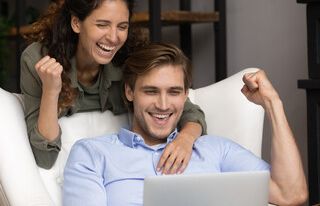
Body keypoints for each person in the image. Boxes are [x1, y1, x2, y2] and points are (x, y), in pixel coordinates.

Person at [63, 42, 308, 206]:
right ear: (129, 92)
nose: (163, 104)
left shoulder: (216, 150)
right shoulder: (93, 154)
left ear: (185, 96)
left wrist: (273, 105)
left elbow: (292, 195)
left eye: (174, 92)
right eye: (151, 91)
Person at [20, 0, 206, 170]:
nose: (114, 37)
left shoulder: (131, 56)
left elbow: (188, 111)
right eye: (102, 25)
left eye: (122, 26)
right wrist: (50, 92)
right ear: (76, 23)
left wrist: (185, 139)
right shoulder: (39, 61)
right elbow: (44, 157)